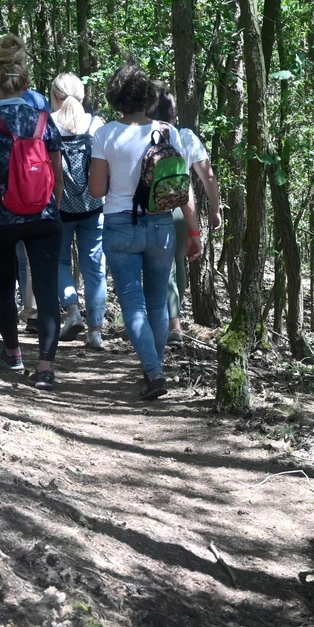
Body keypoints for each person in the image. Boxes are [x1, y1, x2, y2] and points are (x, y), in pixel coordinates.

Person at [0, 34, 64, 391]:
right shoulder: (42, 118)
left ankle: (12, 352)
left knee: (3, 286)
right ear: (26, 83)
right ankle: (46, 367)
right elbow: (57, 167)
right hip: (44, 216)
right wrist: (54, 204)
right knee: (47, 288)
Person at [90, 64, 194, 400]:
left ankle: (154, 371)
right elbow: (183, 188)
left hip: (120, 225)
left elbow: (96, 189)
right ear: (147, 95)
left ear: (115, 96)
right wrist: (194, 231)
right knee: (158, 304)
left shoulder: (105, 134)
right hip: (162, 224)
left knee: (133, 305)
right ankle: (154, 370)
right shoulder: (168, 132)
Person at [144, 83, 222, 345]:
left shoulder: (143, 133)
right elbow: (207, 177)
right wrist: (214, 208)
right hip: (181, 208)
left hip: (149, 208)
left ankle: (170, 323)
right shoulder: (186, 136)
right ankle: (172, 322)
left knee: (160, 266)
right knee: (176, 262)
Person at [50, 72, 107, 350]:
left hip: (59, 208)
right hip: (93, 207)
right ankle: (95, 331)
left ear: (55, 97)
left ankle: (72, 311)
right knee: (95, 268)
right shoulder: (97, 124)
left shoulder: (48, 124)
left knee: (60, 263)